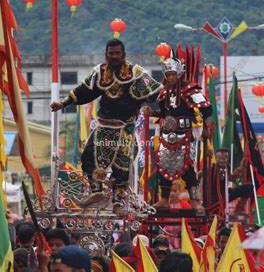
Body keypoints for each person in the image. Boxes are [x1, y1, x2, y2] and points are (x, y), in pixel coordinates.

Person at [50, 39, 162, 216]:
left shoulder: (136, 73)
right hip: (103, 126)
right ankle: (96, 192)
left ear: (123, 55)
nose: (114, 56)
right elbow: (83, 91)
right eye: (111, 53)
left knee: (122, 167)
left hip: (125, 128)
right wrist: (63, 103)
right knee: (88, 156)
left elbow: (157, 93)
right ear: (106, 54)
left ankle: (118, 202)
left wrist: (164, 109)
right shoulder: (100, 72)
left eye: (118, 53)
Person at [151, 57, 212, 214]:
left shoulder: (190, 90)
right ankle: (164, 199)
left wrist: (205, 127)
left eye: (173, 74)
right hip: (166, 137)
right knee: (163, 166)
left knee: (188, 169)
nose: (171, 77)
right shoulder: (164, 92)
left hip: (184, 136)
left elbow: (207, 109)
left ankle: (194, 201)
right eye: (168, 74)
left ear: (179, 74)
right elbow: (164, 113)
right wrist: (152, 113)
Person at [207, 148, 253, 215]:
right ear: (216, 158)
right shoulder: (212, 167)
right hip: (214, 199)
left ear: (227, 159)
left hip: (225, 195)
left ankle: (239, 210)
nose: (222, 161)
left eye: (224, 158)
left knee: (249, 187)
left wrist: (240, 168)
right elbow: (199, 174)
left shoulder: (227, 167)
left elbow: (231, 178)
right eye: (219, 158)